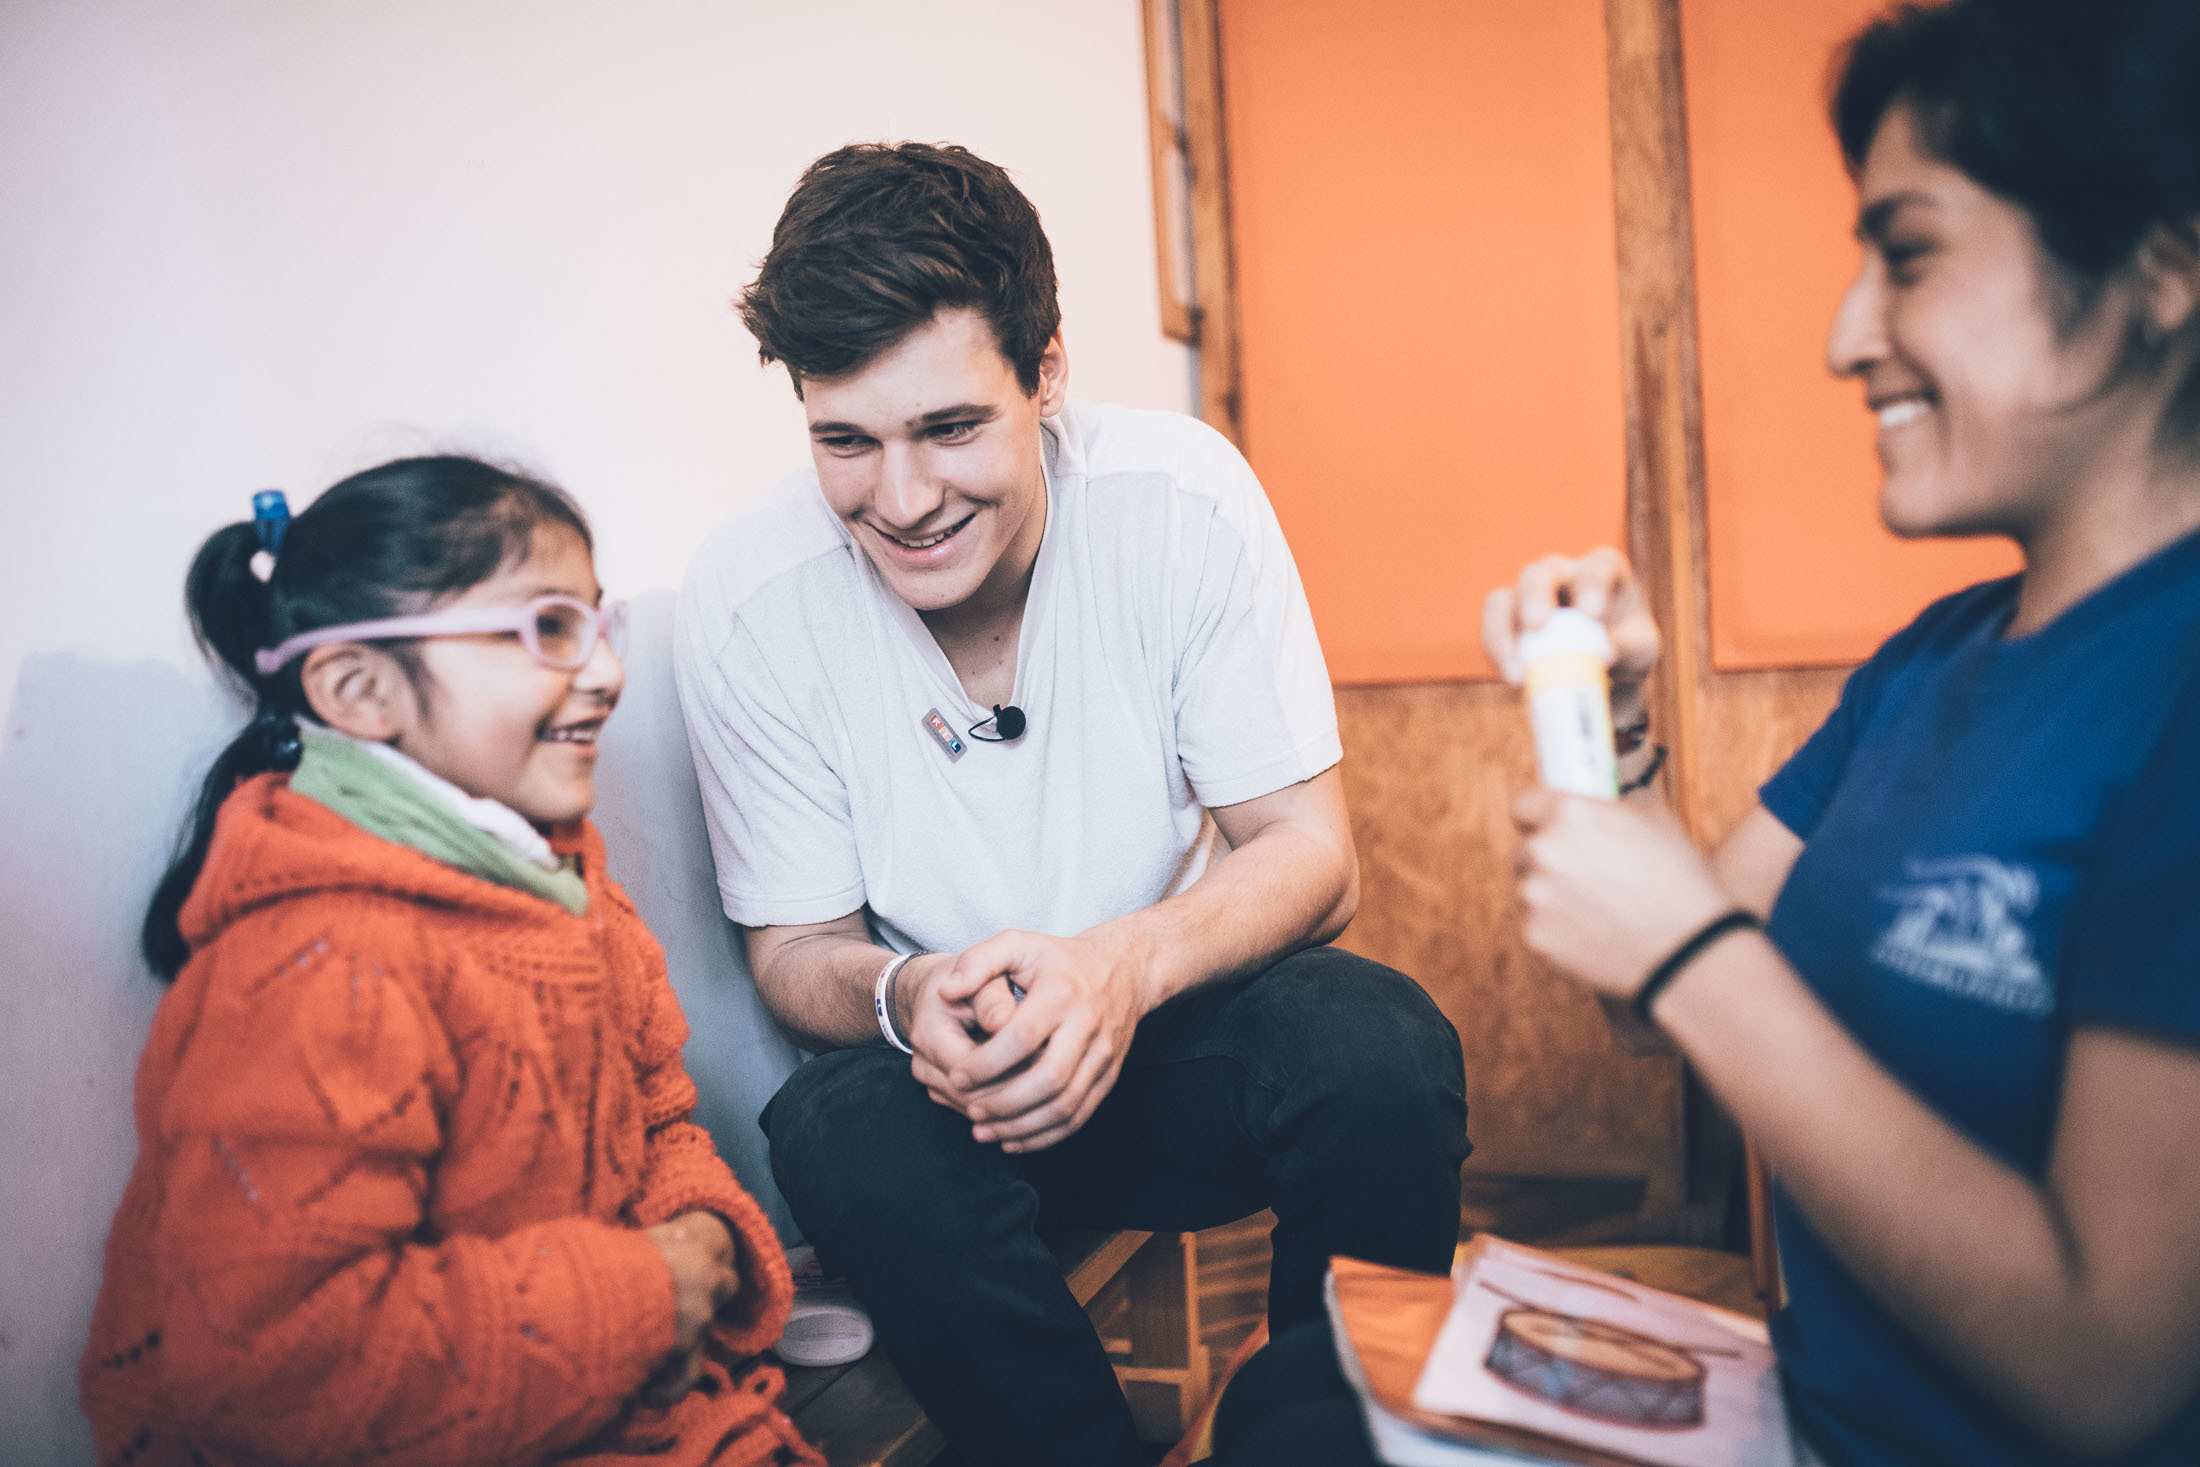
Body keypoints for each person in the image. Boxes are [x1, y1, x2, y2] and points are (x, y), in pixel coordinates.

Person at [1213, 0, 2200, 1462]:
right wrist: (1606, 733)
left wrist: (1688, 949)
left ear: (2161, 271)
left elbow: (2113, 1369)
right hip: (1816, 1400)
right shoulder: (1932, 663)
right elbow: (1652, 1002)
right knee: (1294, 1389)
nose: (1843, 331)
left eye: (1910, 255)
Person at [673, 142, 1470, 1466]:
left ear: (1046, 371)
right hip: (955, 1104)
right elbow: (794, 951)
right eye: (846, 443)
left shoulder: (1178, 498)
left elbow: (1313, 854)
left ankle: (1337, 1443)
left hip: (1171, 1036)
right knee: (828, 1123)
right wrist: (912, 993)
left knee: (1376, 1039)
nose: (905, 498)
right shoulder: (752, 597)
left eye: (951, 428)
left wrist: (1116, 970)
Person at [83, 457, 822, 1467]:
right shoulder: (319, 966)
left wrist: (702, 1235)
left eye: (600, 626)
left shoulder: (567, 881)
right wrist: (646, 1291)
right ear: (356, 689)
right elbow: (277, 1366)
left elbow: (655, 1115)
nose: (605, 673)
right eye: (546, 630)